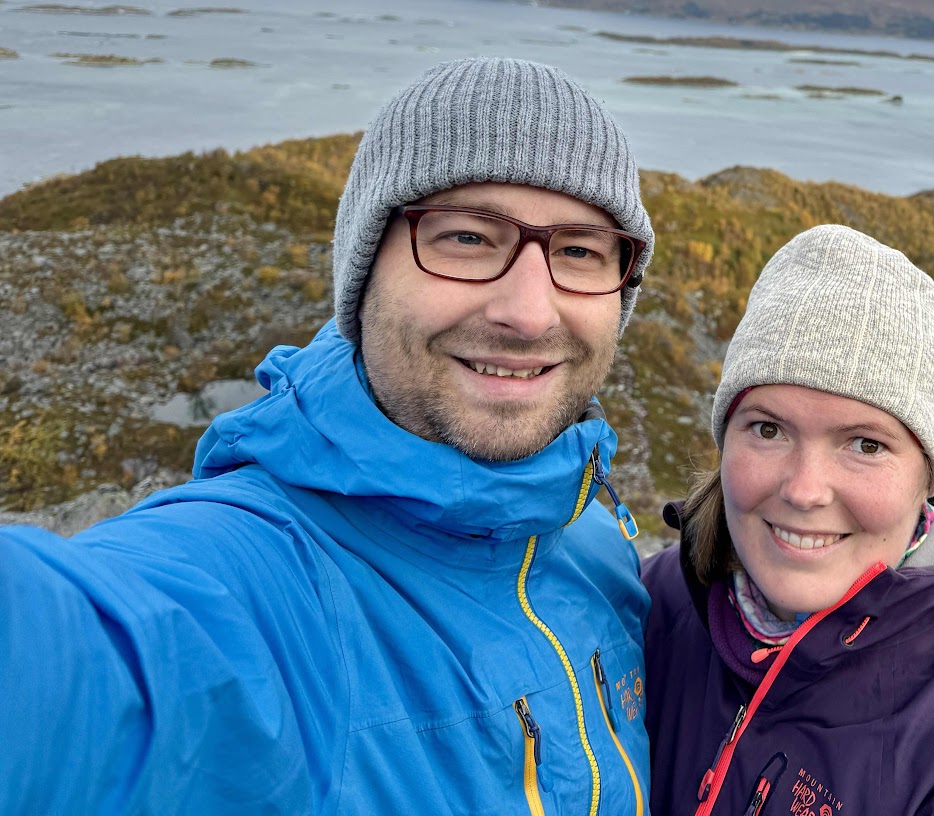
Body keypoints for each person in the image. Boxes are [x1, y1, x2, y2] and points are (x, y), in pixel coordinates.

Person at [0, 58, 655, 815]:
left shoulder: (598, 546)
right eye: (468, 237)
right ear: (364, 271)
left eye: (579, 251)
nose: (530, 313)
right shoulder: (259, 578)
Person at [641, 224, 934, 816]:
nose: (804, 490)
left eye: (865, 445)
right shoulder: (650, 605)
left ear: (926, 481)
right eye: (768, 428)